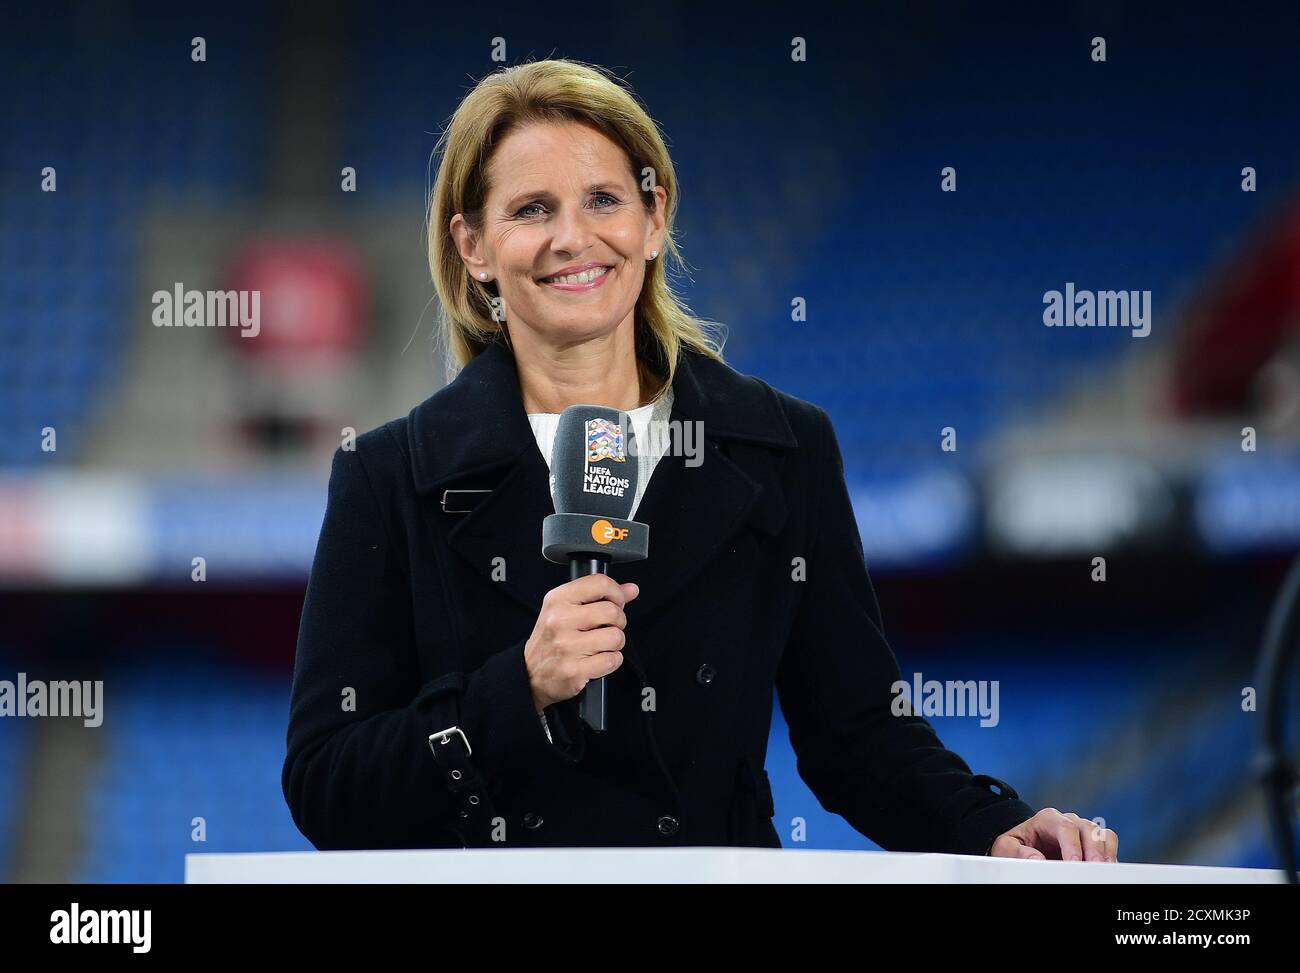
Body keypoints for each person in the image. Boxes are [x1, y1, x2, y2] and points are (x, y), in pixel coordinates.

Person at [282, 58, 1119, 863]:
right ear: (472, 247)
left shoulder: (781, 448)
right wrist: (519, 689)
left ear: (654, 218)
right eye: (532, 208)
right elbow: (326, 783)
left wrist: (993, 826)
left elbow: (858, 735)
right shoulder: (390, 477)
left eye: (604, 199)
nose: (573, 238)